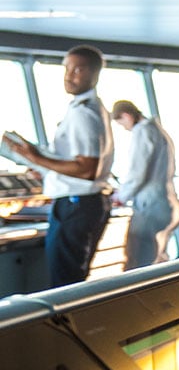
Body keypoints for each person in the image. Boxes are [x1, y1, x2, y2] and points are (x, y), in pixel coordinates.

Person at [2, 45, 115, 288]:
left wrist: (36, 157)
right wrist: (43, 167)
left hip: (76, 205)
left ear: (94, 75)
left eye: (78, 69)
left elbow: (86, 170)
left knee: (66, 284)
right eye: (66, 68)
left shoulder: (84, 113)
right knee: (70, 279)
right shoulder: (89, 108)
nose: (69, 75)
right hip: (82, 204)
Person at [110, 100, 179, 270]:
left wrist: (120, 196)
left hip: (152, 207)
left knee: (138, 264)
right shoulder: (158, 131)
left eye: (122, 124)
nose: (125, 129)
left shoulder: (142, 132)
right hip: (168, 204)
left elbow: (137, 172)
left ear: (127, 116)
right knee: (158, 260)